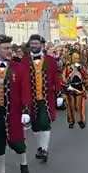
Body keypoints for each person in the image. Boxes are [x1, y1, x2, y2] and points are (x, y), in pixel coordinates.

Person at [0, 35, 31, 173]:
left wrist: (25, 110)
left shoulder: (19, 68)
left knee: (18, 141)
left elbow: (25, 90)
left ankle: (24, 165)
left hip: (14, 110)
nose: (9, 51)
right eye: (6, 48)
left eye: (10, 48)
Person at [25, 34, 60, 163]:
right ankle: (40, 147)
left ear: (41, 45)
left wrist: (59, 94)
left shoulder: (51, 60)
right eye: (32, 43)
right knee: (35, 125)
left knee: (45, 123)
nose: (33, 46)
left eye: (36, 43)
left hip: (46, 98)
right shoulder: (24, 61)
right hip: (31, 98)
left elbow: (56, 77)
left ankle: (44, 149)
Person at [62, 51, 88, 129]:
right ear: (71, 58)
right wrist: (66, 82)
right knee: (71, 106)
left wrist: (82, 72)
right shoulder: (67, 68)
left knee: (79, 106)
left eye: (77, 58)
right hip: (70, 88)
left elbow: (86, 76)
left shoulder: (81, 67)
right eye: (74, 58)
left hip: (79, 88)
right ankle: (71, 121)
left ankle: (81, 120)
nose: (76, 60)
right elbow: (63, 77)